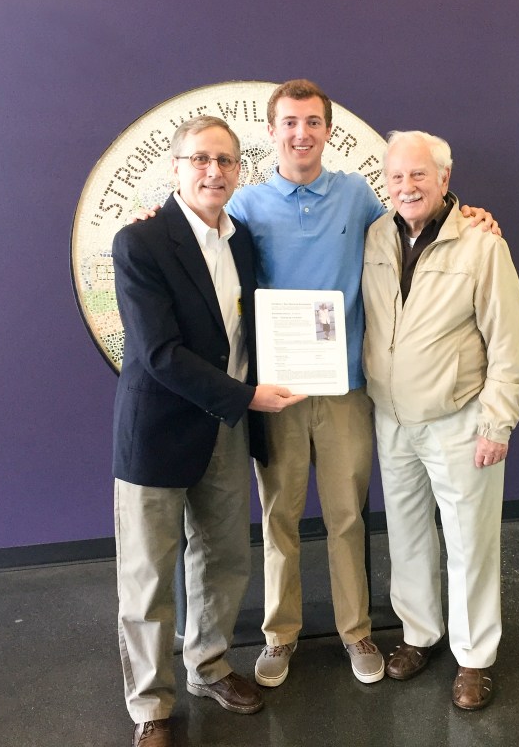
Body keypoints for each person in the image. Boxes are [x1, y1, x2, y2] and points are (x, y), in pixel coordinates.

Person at [135, 80, 497, 689]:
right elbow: (192, 237)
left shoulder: (356, 195)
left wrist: (469, 211)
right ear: (271, 132)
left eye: (312, 122)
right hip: (273, 394)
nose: (301, 133)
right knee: (279, 518)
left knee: (346, 517)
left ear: (327, 131)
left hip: (346, 391)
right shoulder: (245, 205)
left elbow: (414, 220)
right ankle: (280, 636)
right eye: (289, 123)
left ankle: (356, 631)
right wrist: (155, 214)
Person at [111, 115, 304, 747]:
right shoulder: (140, 243)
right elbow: (158, 353)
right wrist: (247, 395)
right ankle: (150, 706)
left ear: (238, 171)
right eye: (200, 159)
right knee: (149, 574)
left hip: (226, 428)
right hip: (158, 432)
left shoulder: (242, 239)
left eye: (224, 161)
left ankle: (210, 665)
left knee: (223, 558)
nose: (212, 171)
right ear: (176, 167)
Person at [361, 130, 519, 710]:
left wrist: (497, 423)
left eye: (419, 175)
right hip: (392, 418)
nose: (406, 186)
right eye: (397, 176)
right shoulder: (375, 236)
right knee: (407, 537)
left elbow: (510, 343)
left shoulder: (482, 245)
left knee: (469, 543)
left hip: (459, 419)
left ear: (444, 179)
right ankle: (418, 635)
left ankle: (475, 657)